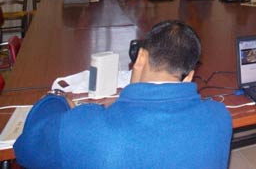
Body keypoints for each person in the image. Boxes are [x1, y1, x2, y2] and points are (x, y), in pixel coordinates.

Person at [14, 20, 232, 169]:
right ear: (189, 76)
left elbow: (25, 150)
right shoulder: (220, 116)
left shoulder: (84, 127)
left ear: (140, 58)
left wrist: (55, 98)